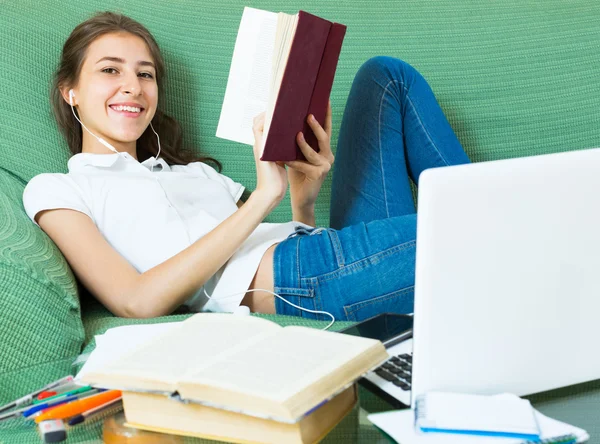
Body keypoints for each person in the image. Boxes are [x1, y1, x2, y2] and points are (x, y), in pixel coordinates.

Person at [23, 11, 470, 324]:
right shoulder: (59, 189)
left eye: (145, 74)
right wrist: (261, 199)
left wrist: (302, 195)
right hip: (305, 278)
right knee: (474, 230)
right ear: (71, 91)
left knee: (386, 77)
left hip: (322, 257)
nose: (132, 87)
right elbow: (137, 301)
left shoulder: (195, 173)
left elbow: (277, 240)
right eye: (109, 70)